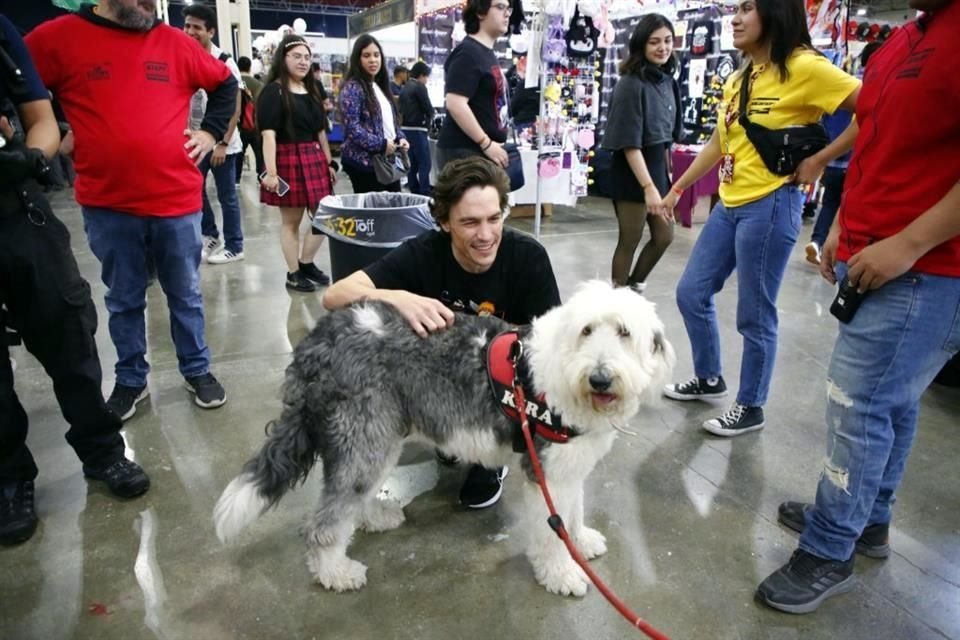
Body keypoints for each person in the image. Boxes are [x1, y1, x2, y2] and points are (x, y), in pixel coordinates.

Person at [757, 0, 960, 614]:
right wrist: (844, 227)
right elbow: (874, 139)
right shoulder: (908, 40)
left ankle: (830, 548)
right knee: (887, 404)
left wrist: (908, 243)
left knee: (858, 403)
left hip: (928, 270)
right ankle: (865, 519)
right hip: (880, 257)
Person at [25, 0, 235, 422]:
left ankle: (197, 368)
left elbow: (225, 85)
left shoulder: (175, 43)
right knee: (123, 300)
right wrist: (53, 129)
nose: (148, 3)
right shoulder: (56, 38)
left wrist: (212, 133)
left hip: (176, 201)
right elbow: (19, 85)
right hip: (108, 205)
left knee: (186, 295)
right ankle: (131, 378)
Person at [657, 0, 860, 435]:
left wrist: (822, 159)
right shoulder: (740, 76)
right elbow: (719, 142)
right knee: (691, 292)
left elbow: (875, 108)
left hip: (771, 205)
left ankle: (751, 405)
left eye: (748, 8)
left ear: (775, 13)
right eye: (736, 8)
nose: (735, 18)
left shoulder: (806, 67)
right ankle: (710, 377)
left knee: (755, 313)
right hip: (730, 204)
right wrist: (677, 188)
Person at [322, 157, 561, 509]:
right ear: (445, 222)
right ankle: (449, 437)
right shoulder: (422, 254)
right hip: (442, 379)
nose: (485, 235)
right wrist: (395, 296)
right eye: (470, 222)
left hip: (507, 387)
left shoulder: (528, 258)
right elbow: (334, 295)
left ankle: (488, 460)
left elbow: (552, 352)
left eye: (494, 219)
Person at [0, 12, 149, 547]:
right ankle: (11, 479)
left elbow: (39, 118)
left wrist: (27, 158)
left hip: (17, 212)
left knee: (69, 338)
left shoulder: (2, 30)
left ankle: (103, 452)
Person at [601, 14, 682, 294]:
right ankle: (615, 301)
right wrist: (648, 187)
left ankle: (632, 290)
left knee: (664, 235)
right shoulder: (630, 84)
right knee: (630, 238)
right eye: (654, 42)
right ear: (641, 45)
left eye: (668, 40)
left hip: (657, 172)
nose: (663, 47)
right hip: (631, 173)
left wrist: (666, 182)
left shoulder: (667, 82)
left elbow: (666, 140)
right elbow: (629, 143)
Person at [257, 35, 337, 293]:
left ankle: (306, 262)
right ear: (284, 58)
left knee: (325, 218)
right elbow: (268, 134)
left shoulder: (313, 89)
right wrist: (271, 173)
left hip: (314, 158)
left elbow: (321, 132)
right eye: (297, 56)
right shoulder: (273, 91)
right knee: (291, 222)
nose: (303, 62)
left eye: (306, 57)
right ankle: (293, 273)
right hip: (288, 158)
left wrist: (329, 163)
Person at [803, 42, 880, 266]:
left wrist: (821, 157)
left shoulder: (837, 84)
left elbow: (822, 121)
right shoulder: (873, 87)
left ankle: (817, 242)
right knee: (849, 208)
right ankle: (843, 249)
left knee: (829, 204)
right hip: (857, 162)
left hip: (832, 162)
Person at [183, 3, 245, 265]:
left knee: (227, 195)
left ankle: (235, 245)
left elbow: (236, 106)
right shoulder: (183, 55)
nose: (190, 32)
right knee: (194, 189)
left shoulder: (223, 61)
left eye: (197, 27)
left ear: (210, 31)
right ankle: (210, 235)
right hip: (195, 140)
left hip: (222, 143)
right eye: (187, 26)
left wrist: (222, 142)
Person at [435, 0, 511, 171]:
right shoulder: (468, 53)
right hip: (465, 153)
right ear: (480, 12)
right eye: (500, 7)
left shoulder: (484, 52)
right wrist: (485, 143)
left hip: (477, 152)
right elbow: (455, 103)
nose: (506, 14)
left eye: (508, 9)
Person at [338, 35, 408, 194]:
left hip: (386, 160)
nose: (373, 60)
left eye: (376, 55)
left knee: (393, 207)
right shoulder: (353, 88)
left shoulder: (379, 86)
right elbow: (352, 128)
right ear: (358, 58)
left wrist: (400, 137)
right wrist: (382, 144)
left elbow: (389, 122)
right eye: (366, 55)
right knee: (374, 213)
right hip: (364, 164)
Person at [399, 61, 435, 196]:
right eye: (426, 77)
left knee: (411, 164)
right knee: (425, 163)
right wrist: (431, 116)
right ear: (422, 75)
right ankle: (425, 192)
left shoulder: (405, 87)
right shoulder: (419, 87)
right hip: (418, 130)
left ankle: (414, 190)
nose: (427, 80)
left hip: (405, 130)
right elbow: (428, 108)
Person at [236, 55, 264, 182]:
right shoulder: (258, 84)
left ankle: (236, 178)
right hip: (256, 124)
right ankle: (261, 176)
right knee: (259, 152)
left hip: (239, 125)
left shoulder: (236, 82)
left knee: (239, 153)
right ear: (250, 67)